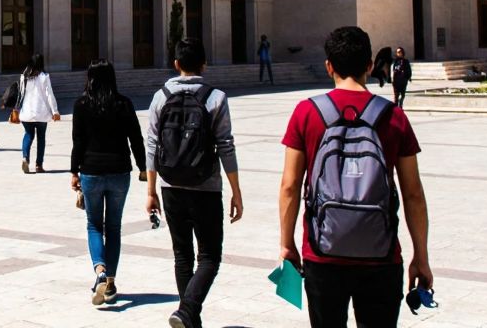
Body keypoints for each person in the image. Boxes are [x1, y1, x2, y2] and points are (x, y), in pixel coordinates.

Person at [278, 26, 432, 328]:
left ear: (329, 66)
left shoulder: (306, 113)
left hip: (323, 253)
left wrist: (287, 244)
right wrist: (421, 256)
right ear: (370, 66)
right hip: (381, 256)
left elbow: (290, 186)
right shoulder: (393, 116)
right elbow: (413, 193)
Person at [145, 38, 244, 328]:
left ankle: (189, 317)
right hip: (206, 187)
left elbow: (151, 144)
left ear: (176, 64)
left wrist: (150, 191)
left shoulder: (160, 96)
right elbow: (226, 146)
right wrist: (236, 192)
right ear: (204, 64)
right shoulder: (216, 97)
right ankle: (188, 312)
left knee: (182, 255)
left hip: (170, 185)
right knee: (210, 256)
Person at [70, 59, 146, 306]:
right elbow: (136, 138)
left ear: (89, 78)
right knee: (113, 227)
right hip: (119, 172)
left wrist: (73, 172)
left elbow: (78, 142)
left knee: (94, 225)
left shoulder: (82, 105)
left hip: (91, 171)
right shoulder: (123, 104)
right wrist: (144, 168)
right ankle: (110, 283)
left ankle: (100, 271)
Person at [16, 53, 60, 174]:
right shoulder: (44, 76)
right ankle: (38, 165)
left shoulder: (23, 76)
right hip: (41, 112)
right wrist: (55, 111)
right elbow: (49, 94)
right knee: (41, 138)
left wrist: (16, 108)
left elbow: (20, 94)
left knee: (28, 135)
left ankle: (25, 157)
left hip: (27, 112)